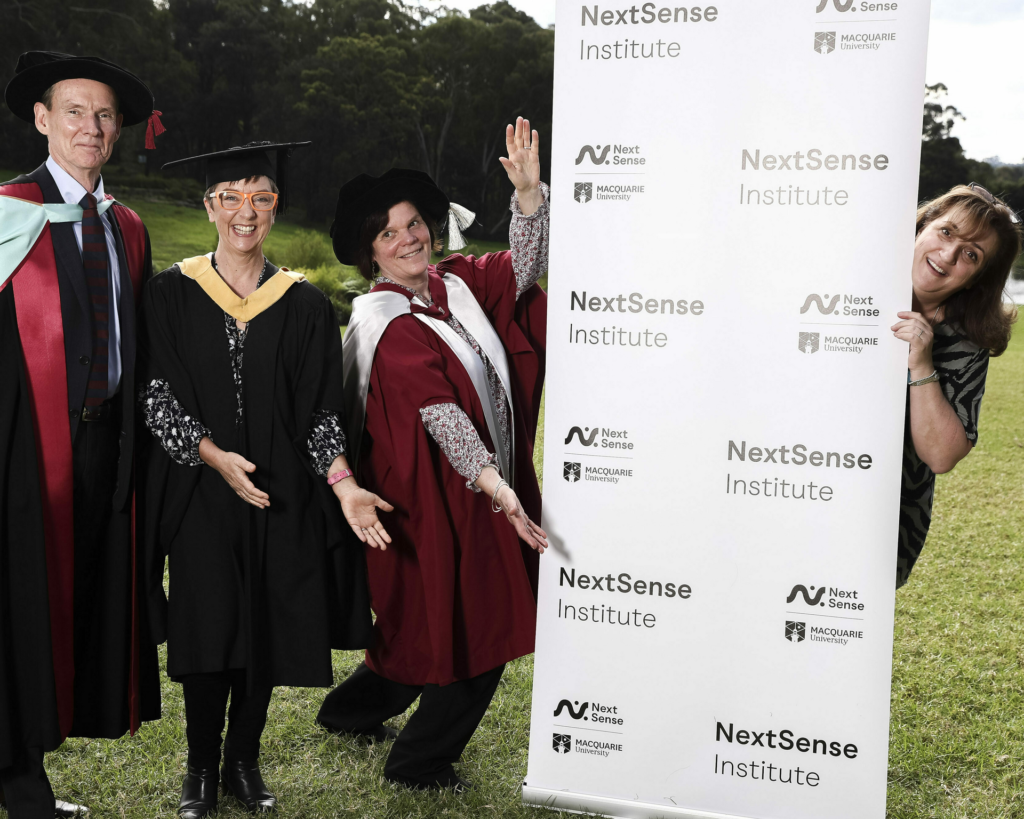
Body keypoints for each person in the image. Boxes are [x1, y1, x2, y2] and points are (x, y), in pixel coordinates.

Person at [139, 142, 389, 818]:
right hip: (200, 493)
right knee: (208, 629)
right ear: (209, 206)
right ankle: (199, 768)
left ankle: (243, 762)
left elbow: (320, 415)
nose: (245, 212)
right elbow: (156, 395)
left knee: (265, 631)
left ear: (275, 208)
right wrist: (212, 455)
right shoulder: (169, 292)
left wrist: (343, 484)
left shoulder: (304, 304)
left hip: (282, 496)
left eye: (260, 198)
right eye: (231, 197)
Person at [316, 116, 548, 791]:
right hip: (434, 500)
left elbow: (523, 269)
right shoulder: (384, 322)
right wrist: (498, 488)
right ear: (371, 254)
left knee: (424, 623)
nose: (408, 238)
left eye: (413, 222)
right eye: (387, 234)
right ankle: (420, 761)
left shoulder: (456, 285)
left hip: (475, 491)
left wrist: (527, 196)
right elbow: (440, 414)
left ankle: (349, 712)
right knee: (478, 625)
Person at [0, 51, 162, 819]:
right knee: (17, 610)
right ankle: (22, 785)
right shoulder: (8, 213)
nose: (89, 127)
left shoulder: (126, 227)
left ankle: (29, 760)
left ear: (118, 129)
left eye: (103, 115)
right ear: (42, 119)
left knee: (71, 607)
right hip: (20, 449)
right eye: (74, 111)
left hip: (104, 447)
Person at [894, 183, 1022, 588]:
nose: (948, 255)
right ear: (923, 226)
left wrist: (921, 361)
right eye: (946, 232)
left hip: (884, 516)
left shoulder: (965, 342)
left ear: (976, 279)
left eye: (971, 255)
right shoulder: (840, 287)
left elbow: (941, 456)